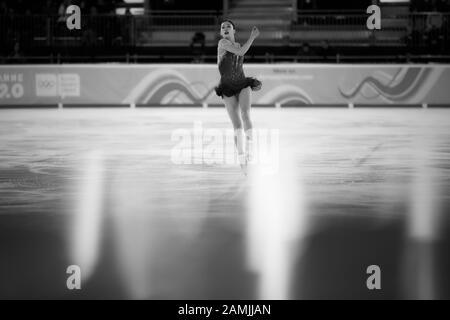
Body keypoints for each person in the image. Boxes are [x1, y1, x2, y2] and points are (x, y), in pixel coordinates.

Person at [214, 20, 262, 172]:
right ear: (221, 33)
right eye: (223, 27)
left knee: (245, 114)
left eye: (228, 26)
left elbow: (240, 56)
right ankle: (242, 156)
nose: (225, 28)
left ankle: (250, 147)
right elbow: (241, 53)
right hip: (227, 88)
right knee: (237, 126)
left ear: (234, 31)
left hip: (242, 84)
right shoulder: (222, 43)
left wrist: (250, 39)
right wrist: (252, 37)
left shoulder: (240, 46)